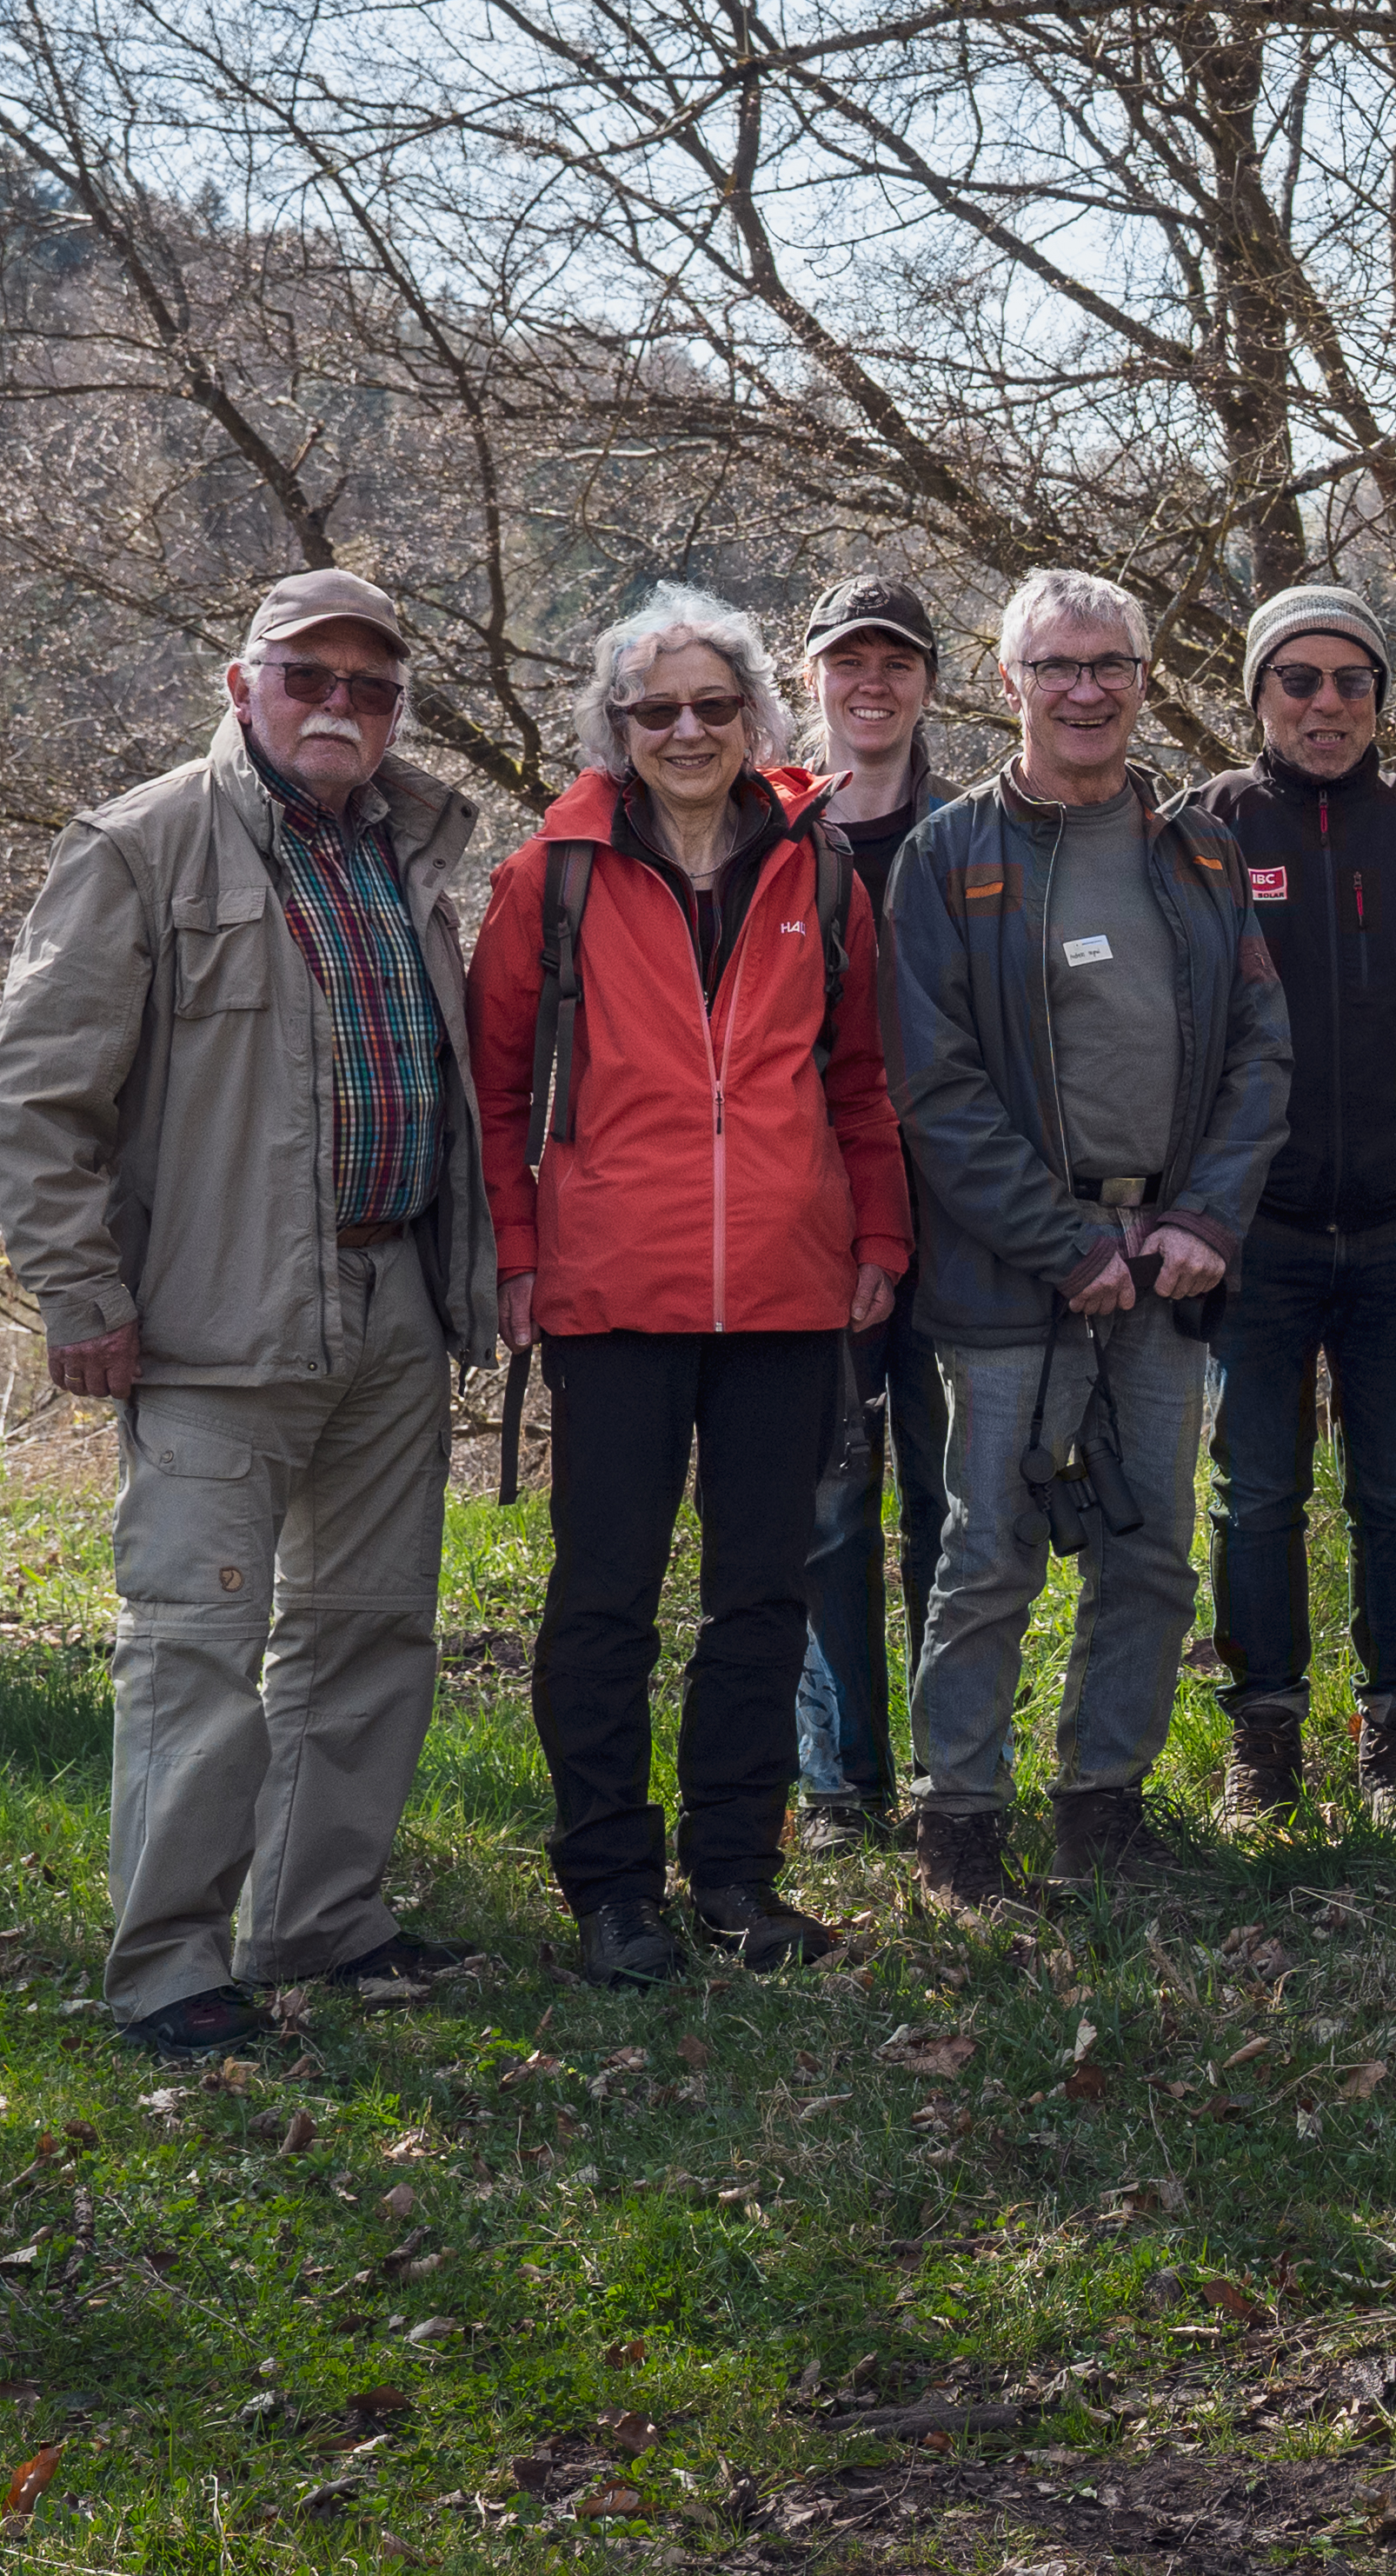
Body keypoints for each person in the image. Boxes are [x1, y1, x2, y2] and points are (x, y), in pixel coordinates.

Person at [0, 568, 499, 2058]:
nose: (340, 705)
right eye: (307, 676)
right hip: (212, 1316)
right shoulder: (138, 845)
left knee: (369, 1630)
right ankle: (168, 1966)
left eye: (371, 686)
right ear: (242, 685)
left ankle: (319, 1919)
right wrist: (82, 1291)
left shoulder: (407, 847)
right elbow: (34, 1094)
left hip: (391, 1295)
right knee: (198, 1644)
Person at [472, 589, 903, 1983]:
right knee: (604, 1598)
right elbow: (493, 1093)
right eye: (655, 709)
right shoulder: (552, 878)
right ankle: (612, 1889)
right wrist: (518, 1254)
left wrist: (880, 1242)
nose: (687, 730)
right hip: (612, 1290)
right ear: (618, 726)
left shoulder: (822, 875)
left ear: (754, 716)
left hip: (786, 1291)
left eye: (715, 704)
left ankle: (735, 1875)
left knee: (762, 1598)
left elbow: (862, 1083)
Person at [887, 569, 1293, 1907]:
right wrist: (1066, 1242)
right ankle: (960, 1820)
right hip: (1015, 1271)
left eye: (1108, 664)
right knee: (989, 1547)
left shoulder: (1198, 851)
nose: (1084, 689)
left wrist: (1207, 1216)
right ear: (1007, 682)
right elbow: (935, 1085)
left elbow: (1260, 1051)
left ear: (1140, 678)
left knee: (1155, 1546)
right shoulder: (949, 858)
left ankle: (1102, 1804)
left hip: (1171, 1261)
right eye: (1055, 666)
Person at [1191, 583, 1396, 1829]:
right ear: (1259, 696)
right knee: (1258, 1495)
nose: (1327, 703)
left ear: (1381, 699)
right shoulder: (1204, 830)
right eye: (1299, 680)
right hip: (1259, 1230)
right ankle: (1266, 1733)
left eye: (1353, 681)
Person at [789, 573, 951, 1851]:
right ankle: (841, 1779)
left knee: (953, 1501)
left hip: (962, 1215)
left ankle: (954, 1767)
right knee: (827, 1501)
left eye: (896, 661)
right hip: (811, 1215)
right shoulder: (767, 837)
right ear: (814, 680)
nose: (873, 683)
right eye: (850, 661)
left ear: (931, 685)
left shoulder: (977, 835)